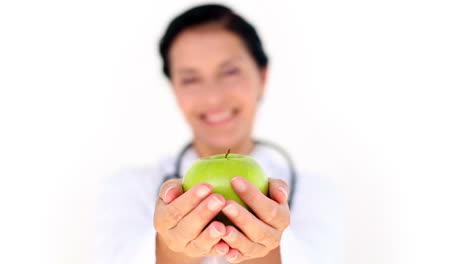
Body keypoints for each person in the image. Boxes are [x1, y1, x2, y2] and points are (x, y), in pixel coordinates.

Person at [97, 4, 343, 264]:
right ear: (174, 89)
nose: (213, 97)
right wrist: (172, 246)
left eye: (230, 72)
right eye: (190, 79)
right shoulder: (129, 189)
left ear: (262, 76)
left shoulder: (315, 191)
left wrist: (267, 248)